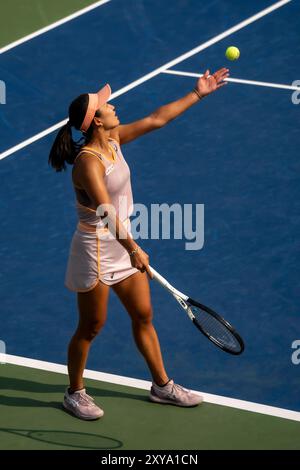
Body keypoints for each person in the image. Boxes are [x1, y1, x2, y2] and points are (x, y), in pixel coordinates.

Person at [48, 67, 229, 420]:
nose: (112, 104)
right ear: (97, 122)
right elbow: (104, 211)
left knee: (143, 314)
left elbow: (157, 119)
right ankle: (74, 392)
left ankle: (162, 386)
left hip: (122, 243)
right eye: (105, 105)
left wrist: (198, 93)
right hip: (96, 250)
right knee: (92, 326)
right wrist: (133, 249)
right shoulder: (88, 162)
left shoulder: (113, 142)